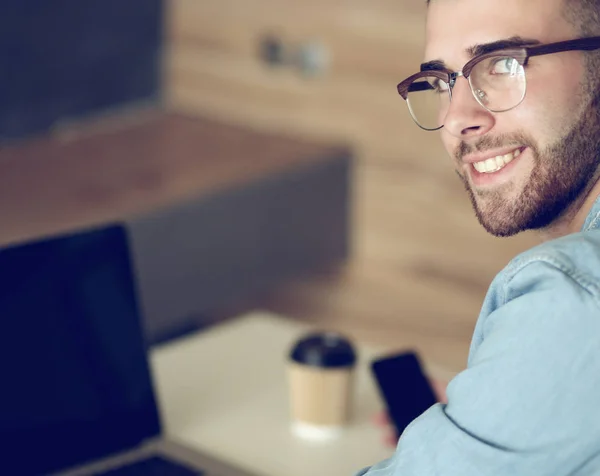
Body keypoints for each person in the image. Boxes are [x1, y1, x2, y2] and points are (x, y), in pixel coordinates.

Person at [355, 0, 600, 474]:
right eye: (444, 80)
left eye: (501, 65)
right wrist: (499, 407)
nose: (456, 119)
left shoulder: (575, 301)